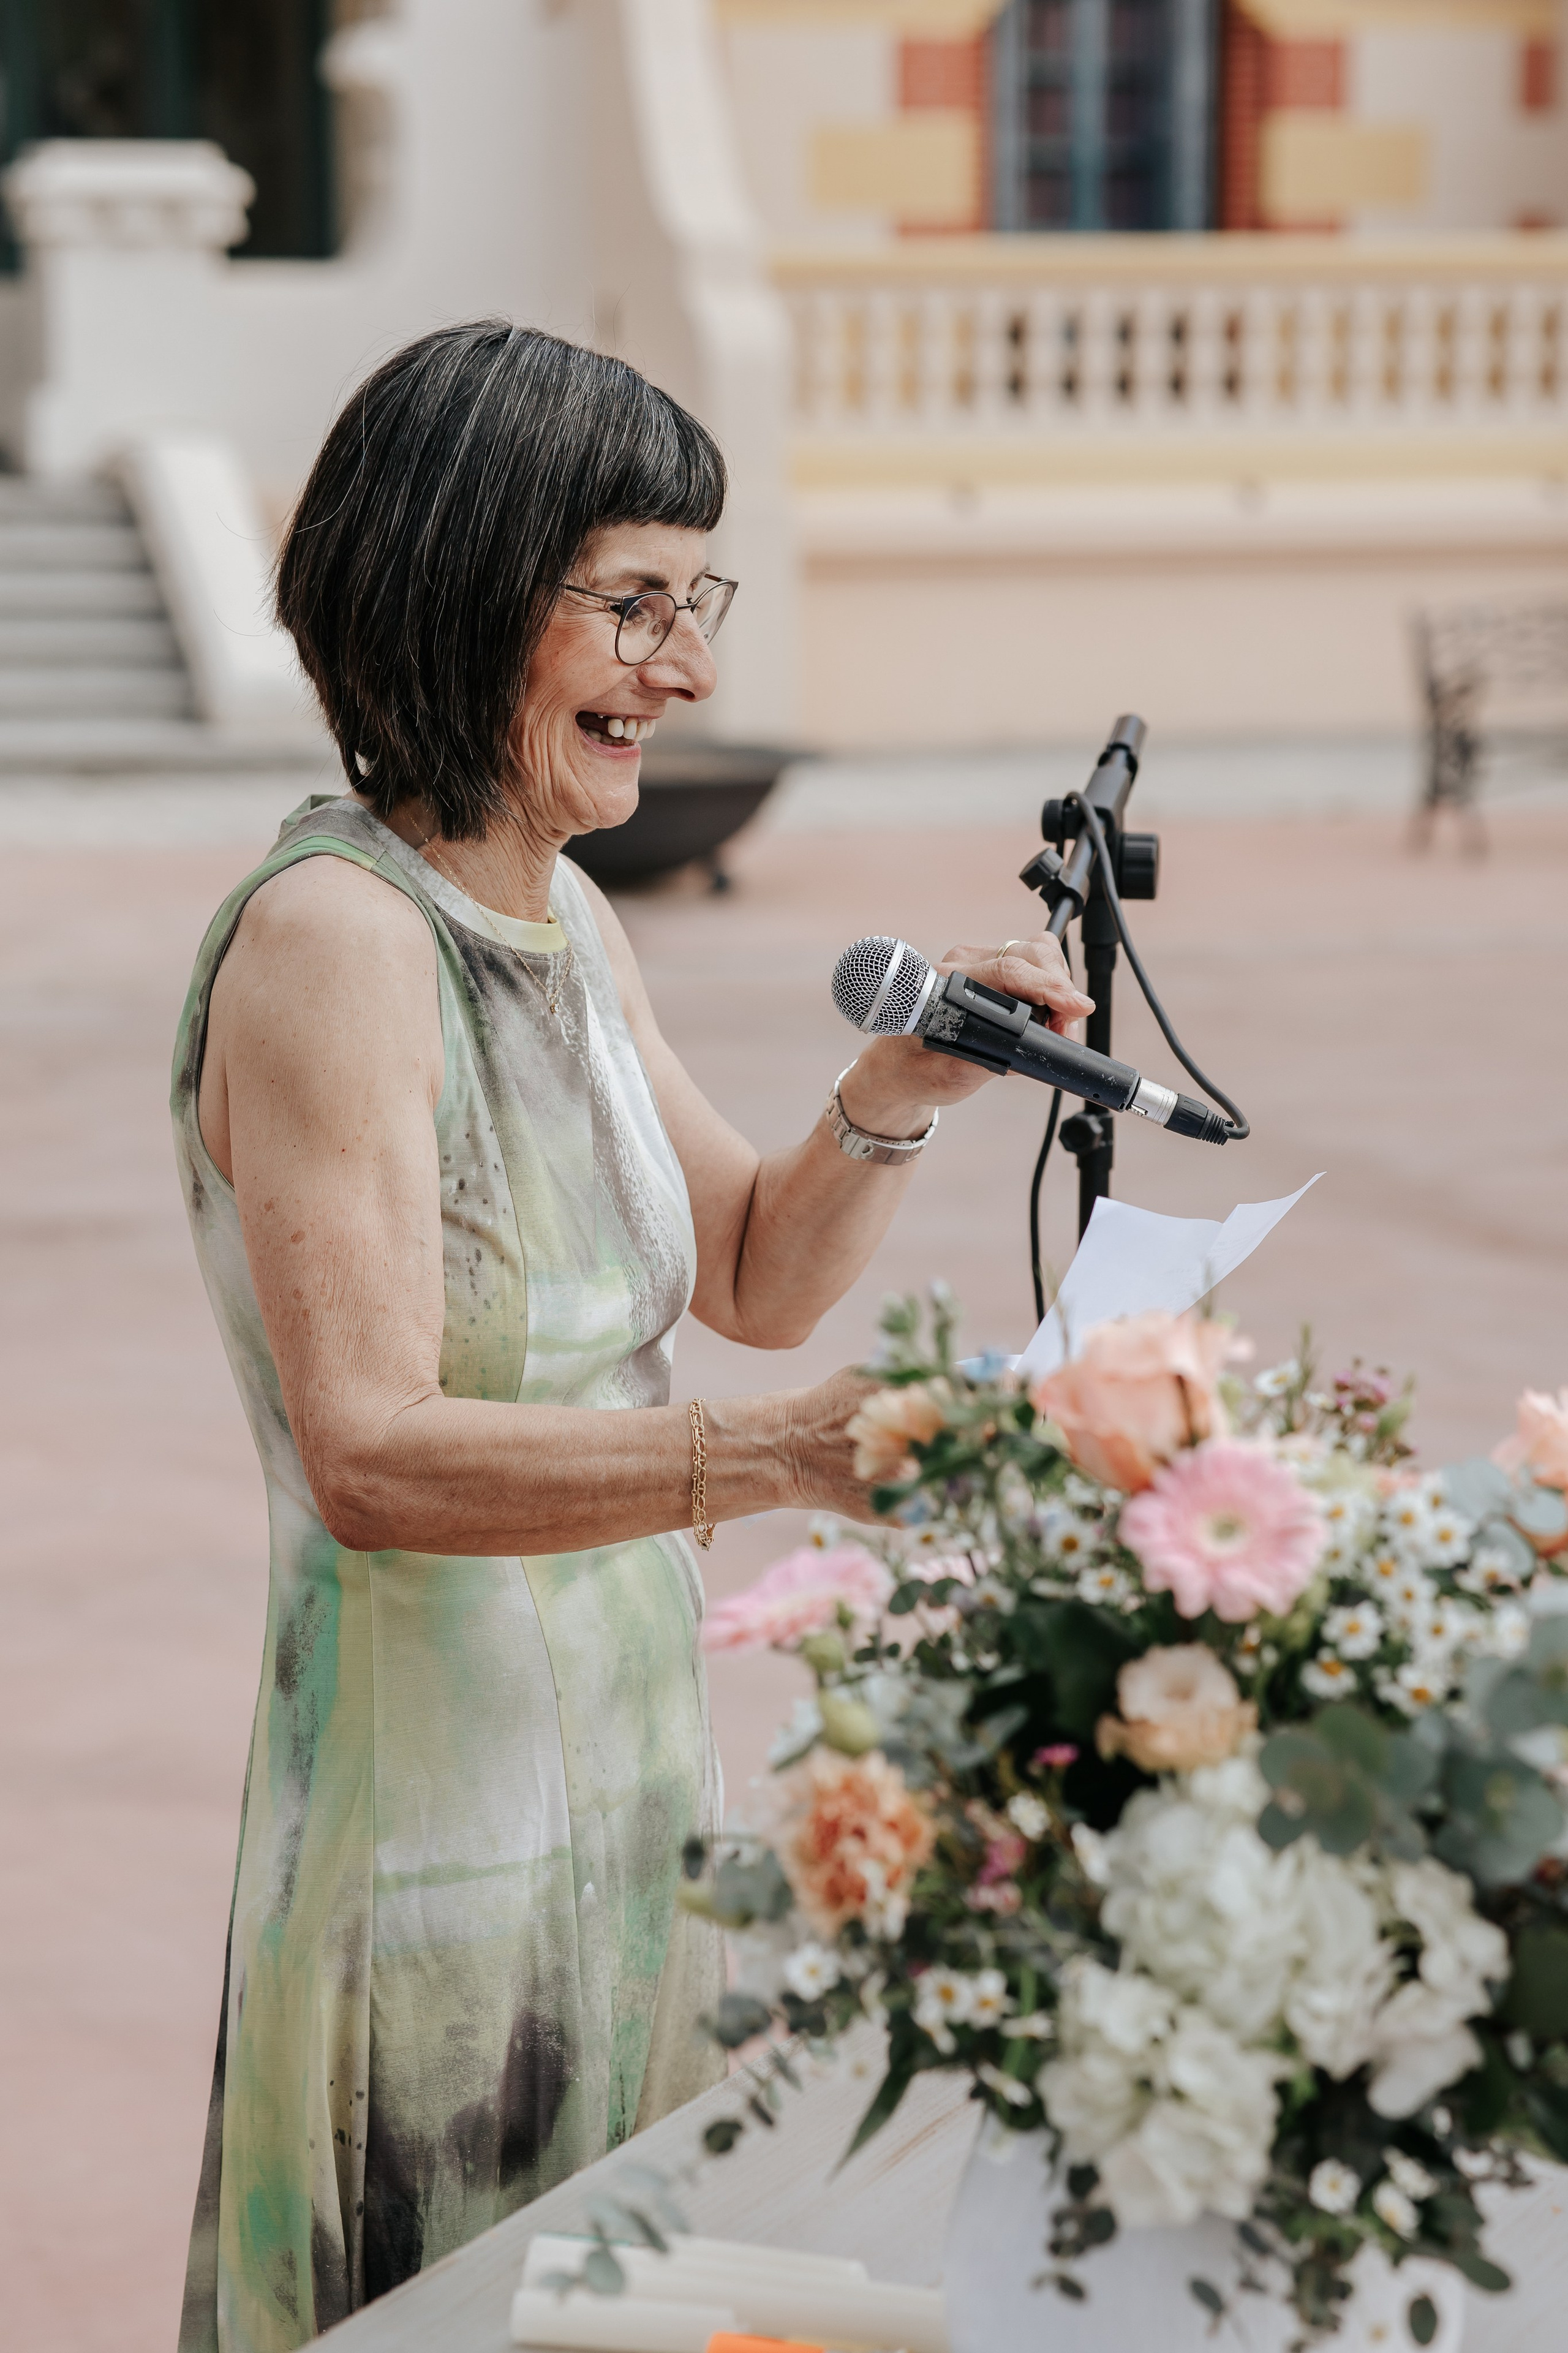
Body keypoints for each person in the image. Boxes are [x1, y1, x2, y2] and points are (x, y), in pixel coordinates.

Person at [172, 321, 1090, 2353]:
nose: (684, 668)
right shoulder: (338, 938)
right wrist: (766, 1460)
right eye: (634, 606)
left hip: (629, 1797)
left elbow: (753, 1268)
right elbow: (374, 1450)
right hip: (440, 1855)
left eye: (702, 603)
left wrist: (902, 1090)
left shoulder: (567, 920)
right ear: (462, 583)